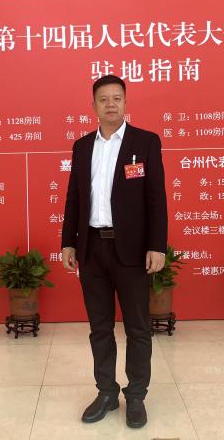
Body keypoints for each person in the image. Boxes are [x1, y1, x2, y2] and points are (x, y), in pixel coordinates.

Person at [61, 74, 168, 429]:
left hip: (132, 251)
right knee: (99, 327)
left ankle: (136, 395)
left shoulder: (145, 142)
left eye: (117, 98)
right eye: (103, 99)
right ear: (93, 106)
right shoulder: (82, 147)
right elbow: (74, 197)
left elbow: (156, 199)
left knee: (137, 327)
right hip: (92, 248)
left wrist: (157, 245)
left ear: (125, 102)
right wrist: (68, 241)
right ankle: (106, 392)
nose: (111, 104)